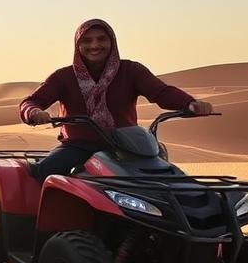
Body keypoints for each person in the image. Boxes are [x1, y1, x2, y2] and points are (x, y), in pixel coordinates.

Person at [19, 19, 212, 180]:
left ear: (112, 42)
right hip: (79, 145)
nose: (95, 45)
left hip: (129, 146)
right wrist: (34, 113)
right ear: (78, 45)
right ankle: (41, 224)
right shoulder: (63, 77)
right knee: (45, 172)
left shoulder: (131, 71)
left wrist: (189, 103)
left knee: (168, 179)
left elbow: (161, 92)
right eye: (87, 40)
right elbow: (31, 102)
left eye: (101, 39)